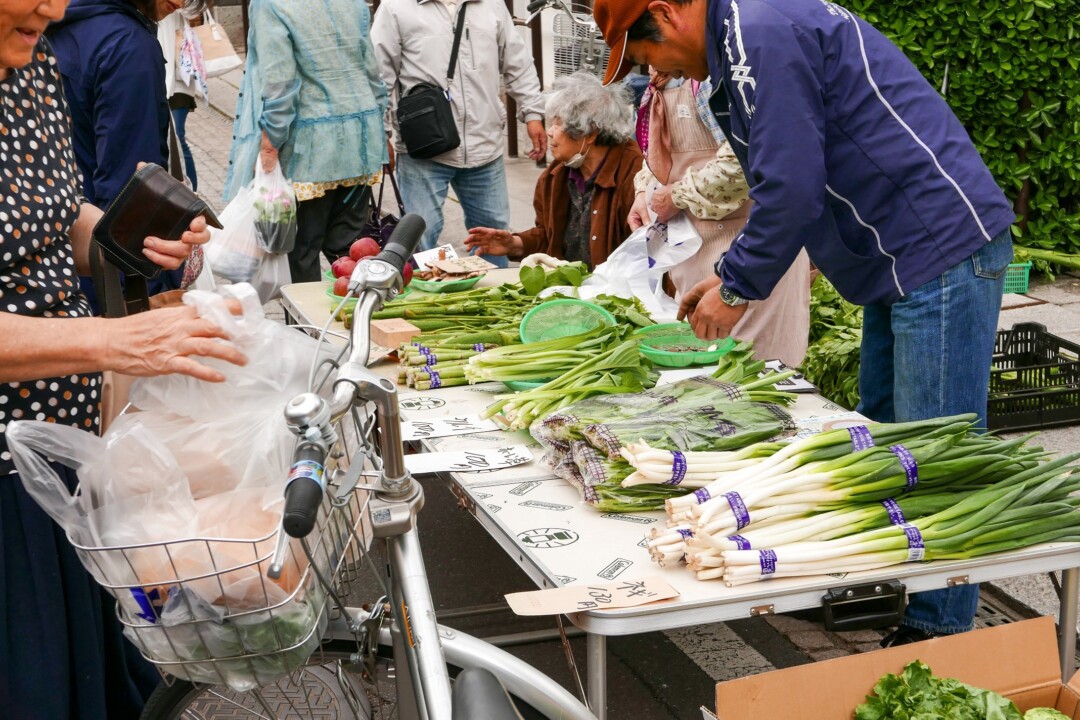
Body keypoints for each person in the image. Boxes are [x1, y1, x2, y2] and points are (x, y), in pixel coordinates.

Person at [595, 0, 1016, 645]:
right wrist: (731, 271)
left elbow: (790, 185)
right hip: (893, 254)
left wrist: (737, 286)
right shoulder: (741, 40)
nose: (657, 72)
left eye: (647, 55)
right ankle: (889, 587)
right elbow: (782, 177)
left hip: (937, 245)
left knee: (933, 446)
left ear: (666, 15)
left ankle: (939, 634)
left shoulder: (760, 30)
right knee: (886, 432)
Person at [1, 3, 246, 717]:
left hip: (57, 465)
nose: (54, 7)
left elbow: (53, 213)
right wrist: (110, 341)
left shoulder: (31, 67)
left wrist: (123, 238)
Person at [629, 68, 810, 366]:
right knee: (699, 367)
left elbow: (745, 160)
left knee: (757, 370)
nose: (647, 63)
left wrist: (676, 196)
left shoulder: (713, 82)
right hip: (691, 251)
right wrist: (643, 193)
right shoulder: (659, 85)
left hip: (751, 248)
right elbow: (654, 153)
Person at [47, 0, 205, 306]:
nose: (182, 1)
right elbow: (131, 191)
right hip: (109, 278)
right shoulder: (128, 45)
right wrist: (146, 293)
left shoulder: (53, 31)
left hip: (68, 264)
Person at [372, 0, 548, 265]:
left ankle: (493, 300)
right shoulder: (396, 7)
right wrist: (380, 133)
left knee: (494, 240)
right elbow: (378, 76)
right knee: (419, 241)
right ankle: (423, 303)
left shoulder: (491, 5)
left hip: (484, 147)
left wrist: (533, 113)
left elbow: (517, 62)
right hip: (424, 150)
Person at [225, 0, 387, 283]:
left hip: (310, 152)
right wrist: (382, 133)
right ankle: (359, 321)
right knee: (347, 250)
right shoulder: (354, 4)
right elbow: (371, 73)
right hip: (362, 140)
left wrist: (268, 148)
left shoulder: (271, 5)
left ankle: (306, 328)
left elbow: (280, 83)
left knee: (301, 254)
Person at [463, 72, 641, 268]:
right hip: (569, 288)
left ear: (589, 134)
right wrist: (513, 244)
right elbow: (549, 238)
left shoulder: (635, 174)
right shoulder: (555, 176)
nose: (549, 132)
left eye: (558, 124)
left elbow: (642, 252)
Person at [158, 8, 203, 191]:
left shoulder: (175, 7)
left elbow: (196, 14)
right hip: (161, 78)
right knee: (167, 139)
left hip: (179, 80)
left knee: (178, 136)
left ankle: (192, 193)